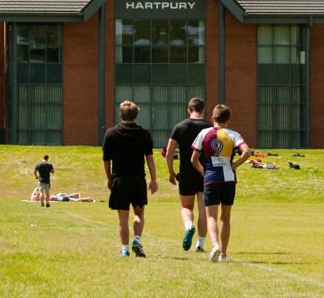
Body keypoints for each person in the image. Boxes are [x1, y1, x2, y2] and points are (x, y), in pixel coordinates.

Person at [191, 104, 251, 263]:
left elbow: (193, 159)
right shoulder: (234, 134)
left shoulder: (204, 133)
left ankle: (215, 244)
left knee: (211, 216)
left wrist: (203, 171)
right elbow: (247, 151)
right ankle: (223, 254)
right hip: (229, 179)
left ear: (212, 119)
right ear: (228, 120)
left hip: (211, 177)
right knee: (225, 217)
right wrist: (235, 164)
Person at [102, 100, 158, 258]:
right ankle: (137, 240)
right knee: (139, 213)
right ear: (136, 115)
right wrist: (154, 180)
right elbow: (150, 159)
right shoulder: (144, 134)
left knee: (122, 218)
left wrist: (109, 178)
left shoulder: (111, 134)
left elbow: (106, 160)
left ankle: (125, 250)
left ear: (120, 114)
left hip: (120, 179)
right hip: (138, 179)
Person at [164, 97, 212, 252]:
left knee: (186, 207)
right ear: (203, 110)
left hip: (185, 172)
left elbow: (169, 152)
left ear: (188, 110)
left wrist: (171, 172)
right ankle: (200, 244)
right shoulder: (209, 127)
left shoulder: (180, 126)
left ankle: (189, 226)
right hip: (205, 171)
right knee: (203, 209)